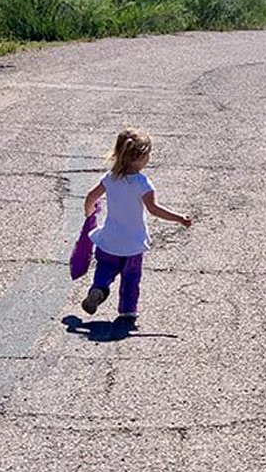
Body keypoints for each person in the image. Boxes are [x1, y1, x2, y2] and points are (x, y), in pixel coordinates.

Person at [81, 127, 191, 324]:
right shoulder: (143, 183)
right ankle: (127, 311)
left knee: (104, 269)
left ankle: (98, 289)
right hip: (132, 245)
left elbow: (91, 196)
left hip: (109, 241)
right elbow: (154, 209)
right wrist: (179, 218)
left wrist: (89, 213)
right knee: (131, 278)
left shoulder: (110, 178)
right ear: (140, 157)